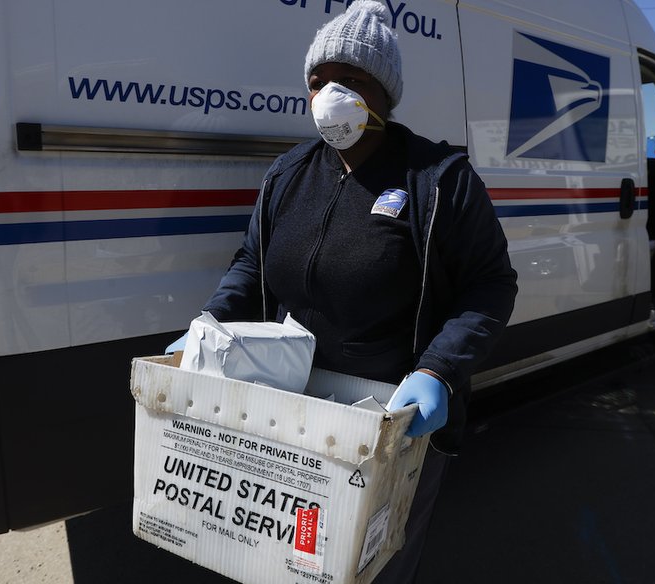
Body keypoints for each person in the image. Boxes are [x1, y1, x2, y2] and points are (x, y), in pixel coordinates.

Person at [186, 1, 517, 580]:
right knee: (293, 556)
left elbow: (491, 286)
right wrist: (208, 323)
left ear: (384, 93)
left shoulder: (439, 179)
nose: (330, 92)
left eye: (352, 79)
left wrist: (438, 370)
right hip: (290, 412)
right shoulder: (288, 174)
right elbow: (251, 263)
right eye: (319, 81)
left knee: (371, 565)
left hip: (391, 427)